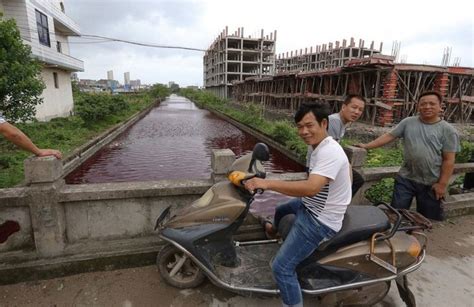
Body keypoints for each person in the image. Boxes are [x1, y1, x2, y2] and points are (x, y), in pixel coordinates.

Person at [244, 102, 351, 307]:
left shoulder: (329, 152)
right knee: (281, 209)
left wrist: (267, 183)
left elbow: (311, 188)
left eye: (309, 125)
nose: (304, 131)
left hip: (319, 221)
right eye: (300, 126)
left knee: (281, 268)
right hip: (311, 206)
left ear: (324, 123)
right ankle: (274, 231)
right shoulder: (319, 147)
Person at [356, 91, 459, 220]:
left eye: (432, 104)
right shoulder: (408, 122)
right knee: (397, 214)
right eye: (423, 104)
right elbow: (389, 136)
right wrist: (367, 146)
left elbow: (449, 160)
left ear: (440, 107)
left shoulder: (448, 131)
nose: (427, 107)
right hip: (406, 178)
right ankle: (398, 235)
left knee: (426, 218)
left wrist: (442, 185)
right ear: (418, 106)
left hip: (431, 181)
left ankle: (418, 237)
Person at [306, 95, 366, 197]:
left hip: (326, 163)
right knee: (357, 180)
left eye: (360, 110)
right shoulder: (334, 121)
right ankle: (338, 205)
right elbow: (332, 151)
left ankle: (338, 204)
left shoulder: (341, 123)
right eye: (354, 107)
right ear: (343, 107)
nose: (357, 112)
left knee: (355, 180)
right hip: (319, 165)